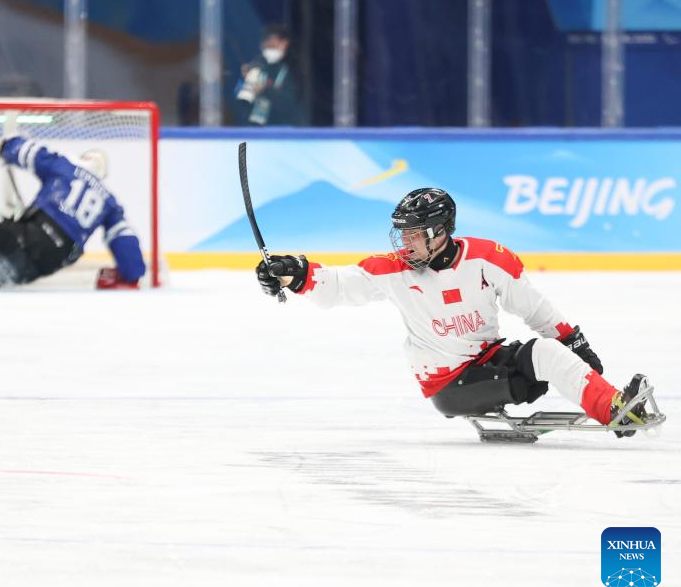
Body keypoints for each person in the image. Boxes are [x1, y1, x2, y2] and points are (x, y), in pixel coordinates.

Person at [255, 187, 651, 438]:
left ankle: (611, 404)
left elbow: (534, 308)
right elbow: (338, 285)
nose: (405, 244)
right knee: (546, 354)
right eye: (402, 234)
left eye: (414, 234)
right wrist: (292, 273)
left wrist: (574, 345)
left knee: (547, 352)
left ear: (440, 231)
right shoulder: (393, 270)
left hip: (488, 362)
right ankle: (616, 412)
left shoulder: (487, 258)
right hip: (448, 387)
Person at [0, 136, 146, 290]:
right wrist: (132, 274)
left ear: (84, 159)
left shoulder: (66, 167)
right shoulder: (109, 202)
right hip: (57, 258)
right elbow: (124, 238)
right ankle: (18, 271)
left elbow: (32, 153)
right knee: (25, 267)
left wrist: (6, 147)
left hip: (33, 235)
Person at [233, 23, 306, 126]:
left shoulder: (295, 68)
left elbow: (293, 102)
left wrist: (265, 90)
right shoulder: (257, 65)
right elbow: (239, 99)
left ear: (284, 43)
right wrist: (243, 80)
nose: (269, 51)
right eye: (266, 47)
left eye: (272, 46)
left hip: (287, 127)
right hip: (259, 127)